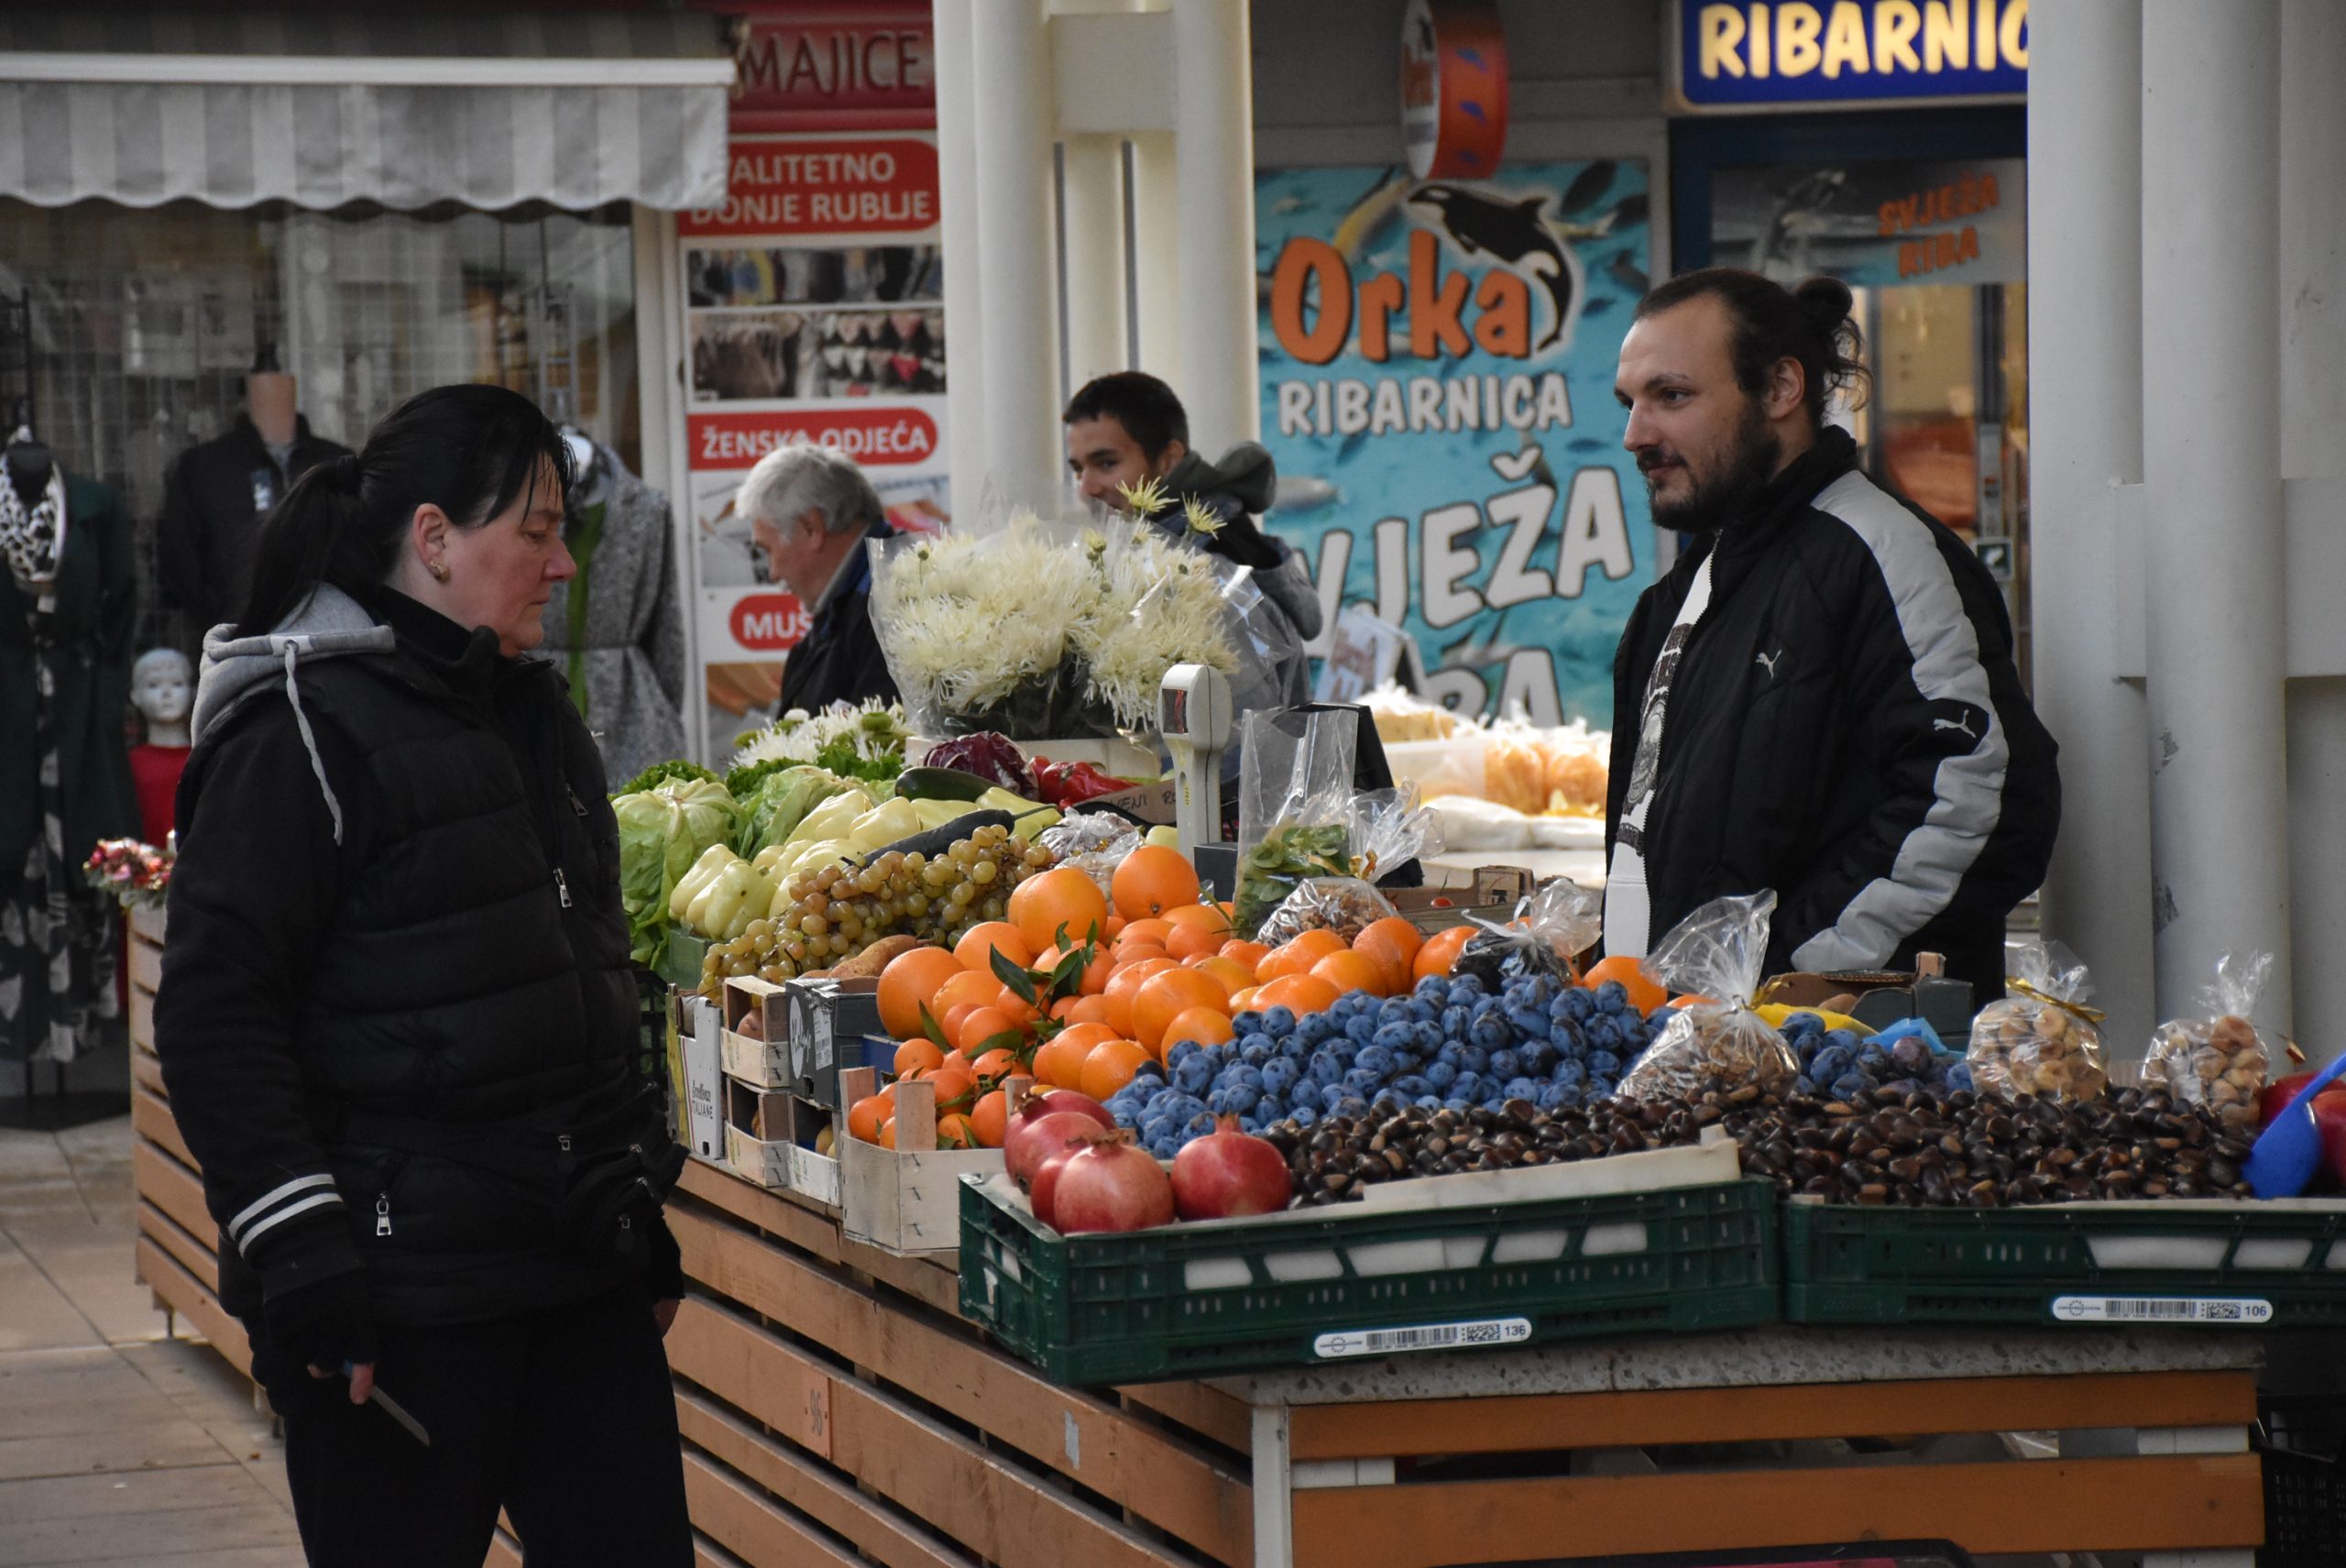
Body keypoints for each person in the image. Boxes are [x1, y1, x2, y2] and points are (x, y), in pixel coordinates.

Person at [154, 385, 692, 1567]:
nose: (561, 566)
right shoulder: (299, 728)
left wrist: (632, 1195)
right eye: (537, 533)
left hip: (574, 1271)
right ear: (435, 539)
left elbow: (586, 968)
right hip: (393, 1307)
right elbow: (213, 1014)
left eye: (565, 533)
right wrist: (299, 1254)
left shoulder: (533, 715)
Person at [1603, 269, 2059, 993]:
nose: (1636, 434)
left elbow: (1975, 797)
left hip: (1841, 1077)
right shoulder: (1687, 590)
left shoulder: (1882, 552)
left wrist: (1786, 981)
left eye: (1673, 396)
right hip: (1692, 1051)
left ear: (1782, 389)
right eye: (1631, 402)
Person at [1062, 370, 1324, 700]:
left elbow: (1233, 740)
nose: (1086, 487)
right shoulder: (1162, 557)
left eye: (1106, 463)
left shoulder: (1208, 576)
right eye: (1078, 470)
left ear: (1169, 460)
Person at [739, 443, 899, 715]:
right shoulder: (856, 601)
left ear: (811, 528)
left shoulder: (891, 603)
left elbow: (883, 745)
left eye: (768, 550)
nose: (773, 572)